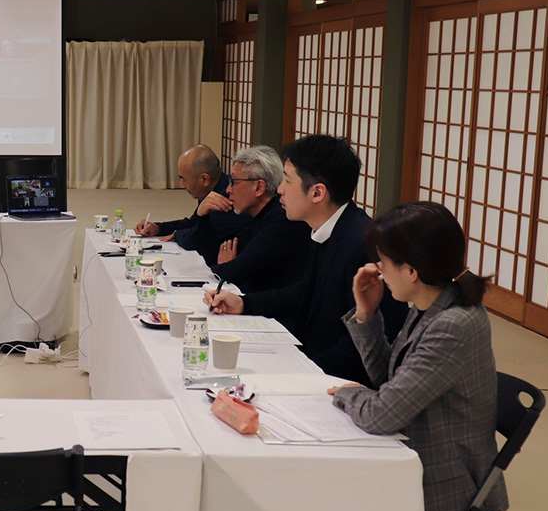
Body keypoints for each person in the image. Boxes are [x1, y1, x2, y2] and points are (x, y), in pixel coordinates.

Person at [328, 201, 504, 511]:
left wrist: (351, 395)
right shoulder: (434, 302)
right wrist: (367, 314)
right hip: (416, 458)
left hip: (445, 488)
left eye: (383, 261)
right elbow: (390, 379)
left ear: (411, 271)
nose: (378, 270)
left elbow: (380, 415)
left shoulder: (453, 324)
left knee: (328, 502)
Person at [204, 134, 405, 384]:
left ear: (317, 193)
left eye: (288, 180)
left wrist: (299, 372)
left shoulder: (362, 246)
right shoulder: (326, 229)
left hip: (341, 383)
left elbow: (363, 345)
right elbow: (303, 292)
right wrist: (244, 304)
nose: (279, 190)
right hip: (313, 361)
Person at [190, 145, 311, 293]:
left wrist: (225, 267)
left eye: (234, 182)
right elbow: (215, 260)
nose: (228, 190)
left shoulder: (282, 220)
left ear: (259, 187)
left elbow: (229, 272)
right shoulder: (257, 216)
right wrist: (203, 218)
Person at [134, 144, 250, 262]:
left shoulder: (225, 200)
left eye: (184, 179)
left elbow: (194, 239)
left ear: (204, 179)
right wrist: (159, 228)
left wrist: (177, 234)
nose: (182, 185)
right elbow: (193, 223)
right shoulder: (213, 188)